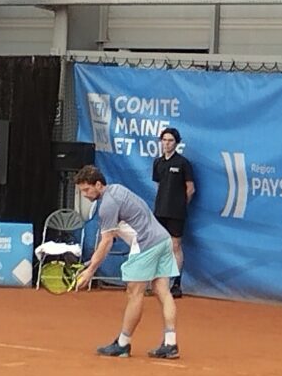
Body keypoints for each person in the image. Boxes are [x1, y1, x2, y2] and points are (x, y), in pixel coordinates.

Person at [74, 164, 180, 359]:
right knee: (162, 291)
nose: (85, 195)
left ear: (98, 184)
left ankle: (123, 343)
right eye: (82, 191)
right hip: (163, 240)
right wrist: (93, 262)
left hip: (146, 244)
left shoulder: (107, 205)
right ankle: (171, 343)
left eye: (87, 190)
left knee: (134, 292)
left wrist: (90, 272)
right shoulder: (118, 189)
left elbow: (107, 241)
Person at [152, 127, 194, 298]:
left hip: (177, 213)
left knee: (175, 246)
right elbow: (158, 185)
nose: (167, 143)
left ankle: (176, 284)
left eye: (170, 140)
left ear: (176, 143)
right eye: (164, 140)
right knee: (157, 247)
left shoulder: (183, 163)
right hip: (160, 211)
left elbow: (190, 189)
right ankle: (156, 283)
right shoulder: (158, 163)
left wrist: (181, 205)